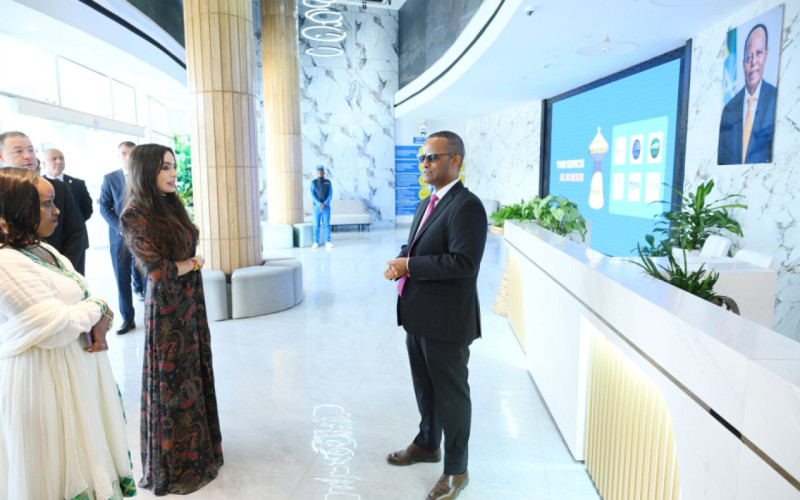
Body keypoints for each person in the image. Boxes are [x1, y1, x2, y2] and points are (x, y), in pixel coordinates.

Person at [0, 167, 135, 499]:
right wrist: (99, 307)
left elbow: (77, 303)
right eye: (46, 204)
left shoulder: (45, 250)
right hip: (44, 383)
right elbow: (54, 327)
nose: (57, 210)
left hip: (73, 374)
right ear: (15, 210)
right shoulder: (7, 262)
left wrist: (96, 310)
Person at [383, 131, 487, 500]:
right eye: (422, 158)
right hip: (417, 315)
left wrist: (410, 265)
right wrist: (401, 261)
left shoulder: (467, 206)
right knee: (425, 388)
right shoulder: (426, 203)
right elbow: (414, 246)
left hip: (447, 322)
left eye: (433, 157)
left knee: (451, 397)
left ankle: (457, 471)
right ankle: (428, 444)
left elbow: (463, 263)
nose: (425, 163)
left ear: (455, 160)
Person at [120, 143, 223, 495]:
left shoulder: (170, 204)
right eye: (165, 167)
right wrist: (193, 263)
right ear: (146, 169)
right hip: (166, 311)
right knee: (172, 381)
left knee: (195, 372)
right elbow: (158, 271)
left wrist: (187, 266)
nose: (173, 173)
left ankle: (201, 453)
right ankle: (175, 464)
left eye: (173, 166)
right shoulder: (133, 215)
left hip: (190, 302)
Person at [0, 131, 88, 273]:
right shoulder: (3, 193)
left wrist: (63, 268)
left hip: (60, 266)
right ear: (2, 157)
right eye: (18, 151)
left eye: (31, 150)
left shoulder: (57, 187)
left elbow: (76, 230)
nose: (28, 156)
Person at [99, 141, 145, 335]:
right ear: (119, 156)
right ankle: (128, 319)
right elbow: (104, 207)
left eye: (132, 153)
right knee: (122, 278)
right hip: (119, 237)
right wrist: (121, 228)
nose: (128, 157)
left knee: (146, 275)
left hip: (143, 236)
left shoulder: (144, 176)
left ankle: (151, 317)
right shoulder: (110, 179)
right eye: (124, 153)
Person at [718, 23, 777, 164]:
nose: (753, 62)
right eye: (749, 57)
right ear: (743, 63)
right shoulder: (729, 109)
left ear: (766, 54)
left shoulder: (776, 99)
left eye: (759, 53)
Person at [44, 147, 94, 222]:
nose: (59, 161)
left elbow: (87, 209)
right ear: (44, 162)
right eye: (54, 159)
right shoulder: (38, 184)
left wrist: (76, 224)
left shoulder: (78, 184)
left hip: (75, 227)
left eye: (61, 158)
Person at [310, 164, 333, 249]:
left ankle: (328, 242)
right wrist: (320, 204)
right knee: (316, 225)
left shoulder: (328, 182)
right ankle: (315, 242)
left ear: (324, 172)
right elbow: (312, 194)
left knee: (326, 224)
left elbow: (330, 194)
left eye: (321, 171)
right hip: (316, 207)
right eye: (318, 171)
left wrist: (325, 203)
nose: (320, 172)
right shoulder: (313, 182)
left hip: (326, 207)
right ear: (317, 173)